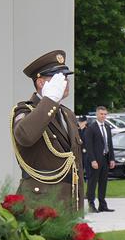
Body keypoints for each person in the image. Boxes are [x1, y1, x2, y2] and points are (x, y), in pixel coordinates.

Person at [12, 50, 82, 212]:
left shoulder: (67, 114)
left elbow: (76, 165)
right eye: (59, 78)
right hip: (39, 204)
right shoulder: (25, 111)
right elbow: (25, 136)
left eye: (66, 77)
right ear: (41, 83)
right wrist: (49, 100)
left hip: (68, 202)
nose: (66, 82)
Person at [81, 105, 116, 212]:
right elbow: (88, 145)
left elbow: (109, 144)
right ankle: (91, 205)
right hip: (95, 160)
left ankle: (102, 204)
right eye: (101, 114)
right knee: (92, 182)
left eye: (105, 114)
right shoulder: (91, 128)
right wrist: (92, 160)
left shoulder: (107, 127)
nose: (103, 116)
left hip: (105, 159)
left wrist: (112, 159)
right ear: (97, 114)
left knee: (103, 182)